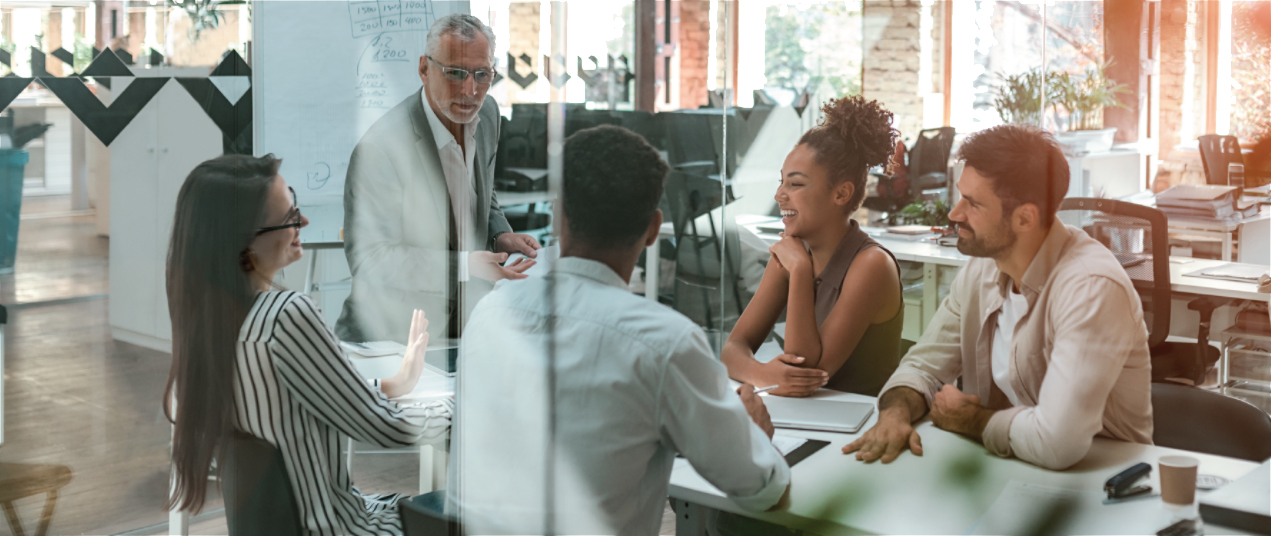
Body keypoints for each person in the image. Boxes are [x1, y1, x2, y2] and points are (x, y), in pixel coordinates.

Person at [452, 125, 790, 534]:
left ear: (557, 216)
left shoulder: (490, 311)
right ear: (653, 229)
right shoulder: (663, 343)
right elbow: (759, 488)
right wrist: (754, 435)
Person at [164, 154, 452, 534]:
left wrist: (390, 385)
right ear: (243, 246)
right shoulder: (286, 315)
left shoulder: (214, 325)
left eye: (295, 206)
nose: (304, 222)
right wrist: (463, 408)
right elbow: (388, 429)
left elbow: (286, 405)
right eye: (288, 219)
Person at [843, 124, 1153, 471]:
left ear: (1024, 218)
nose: (954, 213)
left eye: (973, 204)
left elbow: (1057, 443)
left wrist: (972, 420)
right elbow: (922, 368)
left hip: (1102, 480)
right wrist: (895, 414)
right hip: (1013, 466)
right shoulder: (983, 271)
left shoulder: (1090, 287)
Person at [337, 14, 541, 344]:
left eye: (482, 74)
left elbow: (481, 196)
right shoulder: (382, 148)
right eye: (455, 73)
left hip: (466, 328)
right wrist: (464, 266)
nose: (470, 90)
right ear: (424, 69)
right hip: (390, 338)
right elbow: (369, 259)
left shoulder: (488, 115)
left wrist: (500, 235)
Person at [722, 95, 904, 397]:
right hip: (807, 421)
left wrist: (800, 272)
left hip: (861, 428)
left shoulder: (871, 265)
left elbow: (804, 373)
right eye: (782, 182)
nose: (780, 195)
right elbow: (731, 350)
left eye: (795, 184)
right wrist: (765, 374)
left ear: (841, 193)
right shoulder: (792, 253)